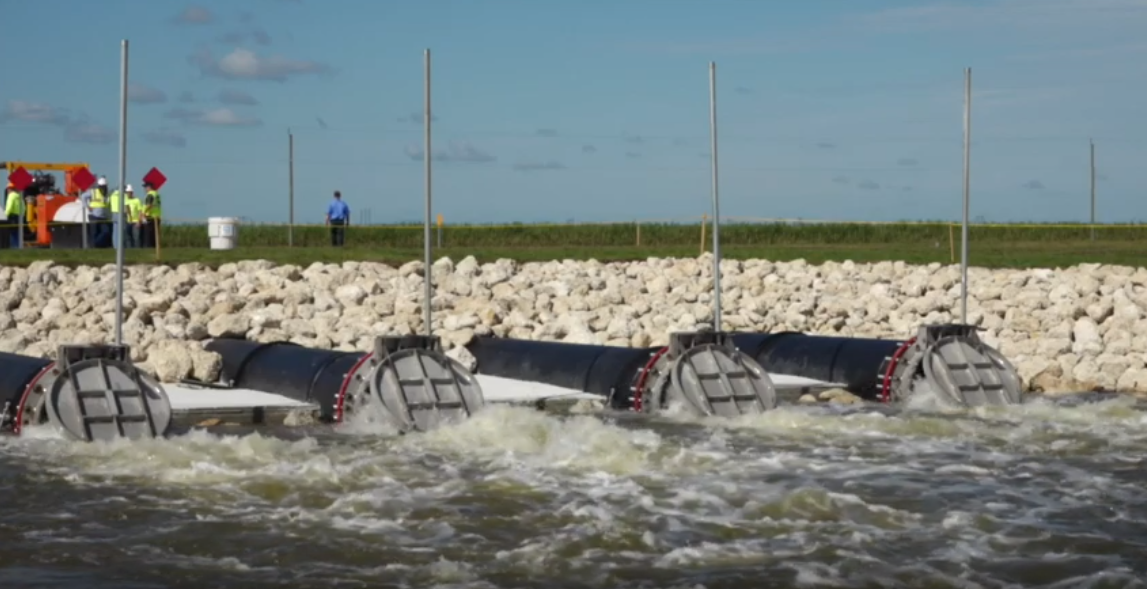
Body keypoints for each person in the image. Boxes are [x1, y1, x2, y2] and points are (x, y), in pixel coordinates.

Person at [89, 177, 110, 248]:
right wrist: (87, 206)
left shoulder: (106, 194)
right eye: (102, 186)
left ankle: (96, 244)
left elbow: (107, 204)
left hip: (103, 217)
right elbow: (83, 196)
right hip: (94, 216)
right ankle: (94, 247)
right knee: (94, 233)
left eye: (105, 186)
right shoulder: (94, 192)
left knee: (106, 231)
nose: (103, 188)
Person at [141, 180, 162, 248]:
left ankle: (149, 247)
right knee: (155, 235)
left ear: (149, 187)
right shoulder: (157, 194)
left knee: (148, 235)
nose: (145, 189)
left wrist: (143, 213)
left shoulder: (150, 194)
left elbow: (149, 205)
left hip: (150, 217)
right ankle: (155, 248)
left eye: (145, 187)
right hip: (157, 216)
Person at [2, 181, 20, 249]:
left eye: (8, 189)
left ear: (10, 188)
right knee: (16, 234)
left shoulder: (11, 196)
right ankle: (18, 247)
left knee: (12, 234)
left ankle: (14, 248)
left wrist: (4, 216)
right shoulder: (18, 196)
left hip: (12, 217)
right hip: (18, 217)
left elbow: (9, 207)